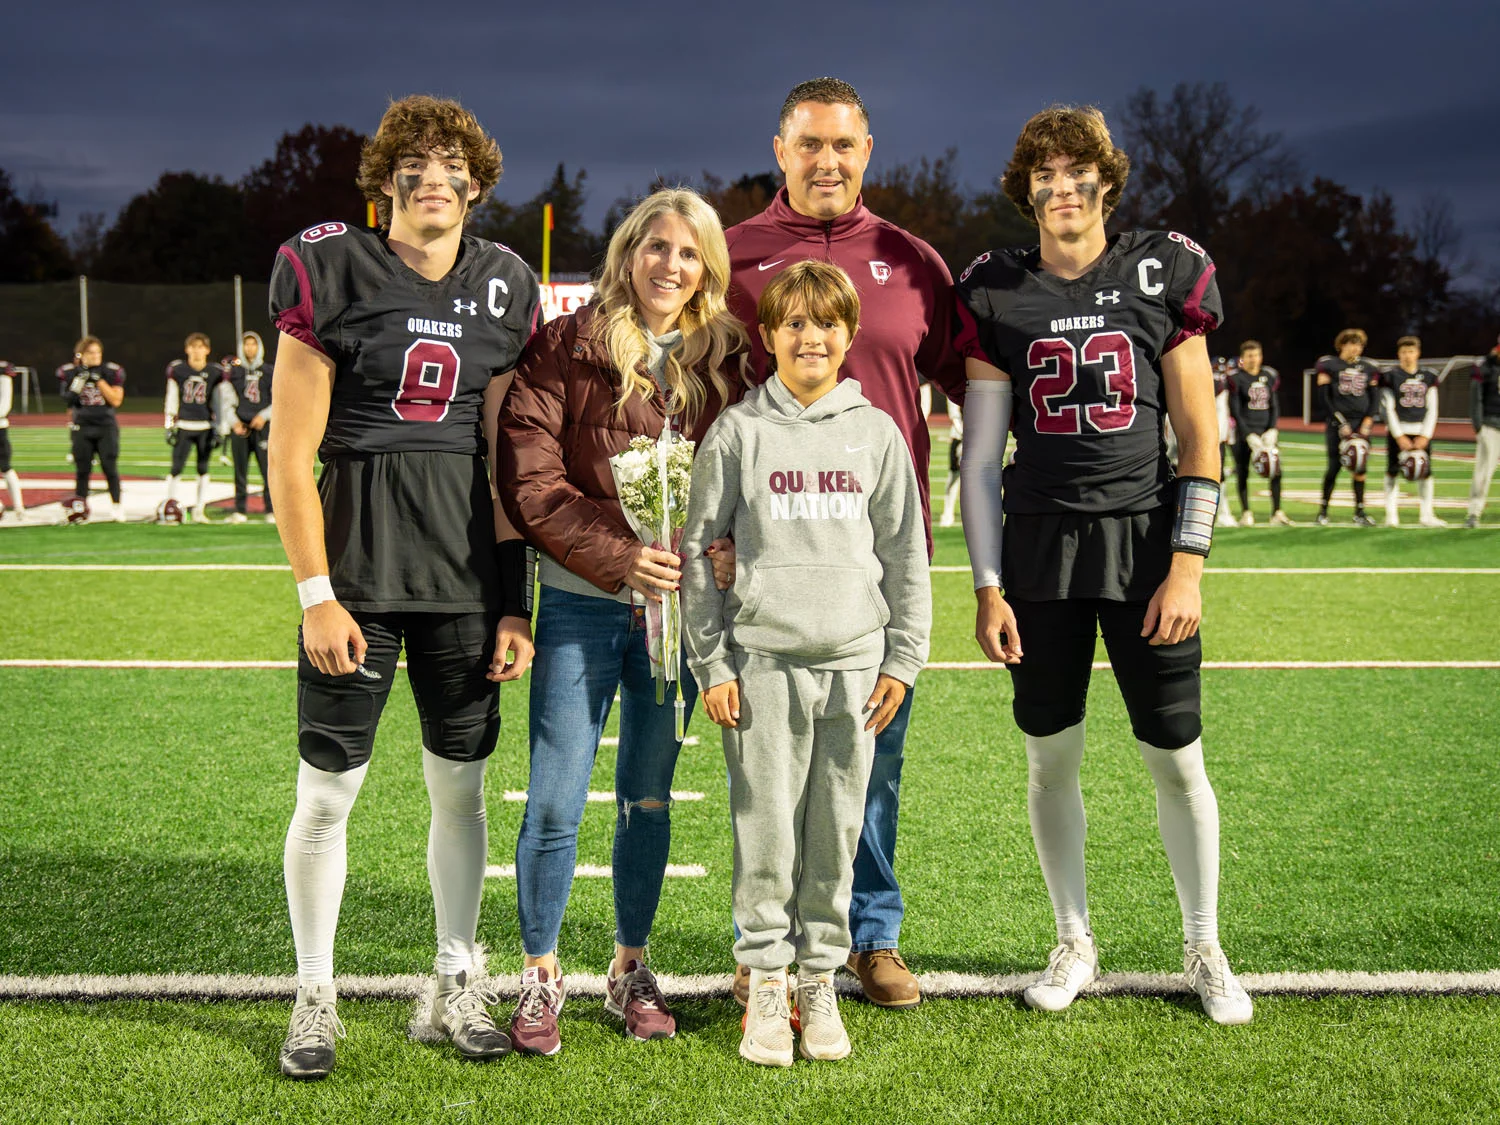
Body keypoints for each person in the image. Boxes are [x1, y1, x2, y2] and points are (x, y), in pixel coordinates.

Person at [954, 104, 1253, 1026]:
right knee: (1052, 760)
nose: (1061, 188)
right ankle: (1073, 934)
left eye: (1077, 171)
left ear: (1107, 183)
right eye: (1043, 174)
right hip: (1040, 545)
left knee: (1176, 755)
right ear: (1027, 189)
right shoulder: (997, 287)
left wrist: (1190, 565)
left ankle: (1205, 942)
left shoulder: (1162, 270)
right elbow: (978, 454)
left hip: (1146, 540)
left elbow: (1201, 436)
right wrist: (987, 583)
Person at [267, 94, 540, 1080]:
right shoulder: (328, 266)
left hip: (465, 582)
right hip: (360, 581)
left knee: (459, 793)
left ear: (477, 181)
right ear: (385, 181)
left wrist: (518, 602)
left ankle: (458, 976)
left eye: (452, 162)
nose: (434, 175)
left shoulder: (506, 284)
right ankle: (313, 992)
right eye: (412, 162)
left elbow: (510, 464)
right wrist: (315, 595)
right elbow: (289, 454)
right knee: (328, 795)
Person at [720, 75, 966, 1009]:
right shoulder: (732, 256)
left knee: (872, 758)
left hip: (875, 558)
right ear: (780, 150)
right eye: (809, 144)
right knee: (767, 770)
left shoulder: (913, 263)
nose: (827, 161)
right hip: (768, 560)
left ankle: (871, 935)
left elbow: (974, 378)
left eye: (845, 146)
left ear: (869, 152)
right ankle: (763, 945)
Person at [498, 188, 748, 1055]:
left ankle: (629, 966)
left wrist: (725, 548)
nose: (669, 266)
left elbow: (748, 477)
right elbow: (531, 480)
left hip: (676, 621)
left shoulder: (726, 359)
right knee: (558, 797)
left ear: (706, 266)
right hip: (579, 605)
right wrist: (617, 555)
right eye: (656, 247)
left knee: (647, 795)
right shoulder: (568, 345)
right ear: (627, 253)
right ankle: (538, 973)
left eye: (688, 253)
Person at [682, 261, 930, 1066]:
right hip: (761, 665)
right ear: (769, 336)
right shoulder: (739, 432)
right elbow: (695, 552)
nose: (809, 336)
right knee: (764, 829)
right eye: (793, 323)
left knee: (836, 828)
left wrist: (904, 657)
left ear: (849, 334)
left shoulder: (878, 432)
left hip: (857, 668)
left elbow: (904, 554)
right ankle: (764, 977)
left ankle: (820, 975)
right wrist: (712, 663)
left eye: (825, 323)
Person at [1314, 329, 1381, 526]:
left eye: (1359, 344)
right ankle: (1323, 510)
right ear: (1342, 345)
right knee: (1334, 467)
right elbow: (1323, 397)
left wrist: (1368, 420)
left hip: (1361, 424)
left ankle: (1360, 511)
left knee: (1360, 467)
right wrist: (1339, 420)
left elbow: (1374, 397)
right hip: (1337, 423)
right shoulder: (1329, 365)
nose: (1356, 348)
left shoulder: (1369, 367)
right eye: (1352, 343)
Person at [57, 337, 126, 522]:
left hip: (105, 426)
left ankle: (117, 507)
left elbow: (116, 400)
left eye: (97, 352)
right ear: (81, 355)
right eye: (90, 352)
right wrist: (80, 380)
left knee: (110, 467)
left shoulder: (110, 371)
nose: (95, 356)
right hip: (82, 426)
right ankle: (80, 508)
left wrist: (99, 381)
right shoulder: (71, 372)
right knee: (82, 470)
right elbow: (68, 400)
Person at [1380, 336, 1445, 528]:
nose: (1407, 356)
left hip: (1420, 430)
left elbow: (1433, 408)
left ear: (1418, 353)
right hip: (1399, 430)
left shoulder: (1429, 376)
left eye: (1411, 351)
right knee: (1392, 471)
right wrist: (1398, 434)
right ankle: (1391, 515)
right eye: (1403, 352)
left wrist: (1426, 434)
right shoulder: (1390, 376)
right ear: (1398, 354)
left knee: (1426, 472)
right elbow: (1387, 408)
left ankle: (1427, 515)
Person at [163, 333, 223, 522]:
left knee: (203, 469)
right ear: (187, 349)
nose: (196, 351)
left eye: (200, 347)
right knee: (176, 468)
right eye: (193, 347)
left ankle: (199, 509)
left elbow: (219, 401)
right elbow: (171, 397)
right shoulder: (178, 370)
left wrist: (220, 428)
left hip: (205, 425)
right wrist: (169, 424)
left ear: (207, 350)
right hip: (184, 424)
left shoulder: (215, 372)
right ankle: (169, 507)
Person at [1229, 340, 1290, 525]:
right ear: (1242, 359)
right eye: (1249, 356)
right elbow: (1235, 409)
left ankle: (1277, 512)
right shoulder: (1235, 378)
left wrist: (1272, 429)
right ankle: (1246, 512)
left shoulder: (1269, 375)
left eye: (1256, 355)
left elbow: (1274, 405)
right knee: (1242, 472)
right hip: (1245, 433)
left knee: (1276, 471)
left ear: (1261, 356)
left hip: (1265, 432)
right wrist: (1247, 434)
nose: (1253, 359)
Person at [226, 331, 275, 524]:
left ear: (259, 347)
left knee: (268, 470)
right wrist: (234, 422)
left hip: (262, 426)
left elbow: (278, 398)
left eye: (253, 344)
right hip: (240, 427)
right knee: (240, 470)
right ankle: (239, 510)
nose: (250, 348)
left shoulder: (269, 371)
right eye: (246, 345)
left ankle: (271, 509)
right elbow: (226, 399)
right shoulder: (234, 373)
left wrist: (263, 416)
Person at [1465, 332, 1500, 528]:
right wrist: (1478, 425)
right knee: (1484, 472)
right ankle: (1474, 512)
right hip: (1491, 424)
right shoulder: (1485, 367)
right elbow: (1475, 397)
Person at [0, 361, 25, 519]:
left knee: (6, 468)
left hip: (0, 427)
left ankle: (19, 508)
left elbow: (5, 404)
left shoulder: (3, 373)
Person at [938, 400, 963, 528]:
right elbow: (954, 413)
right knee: (954, 476)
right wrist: (963, 432)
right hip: (959, 436)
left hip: (978, 436)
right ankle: (948, 513)